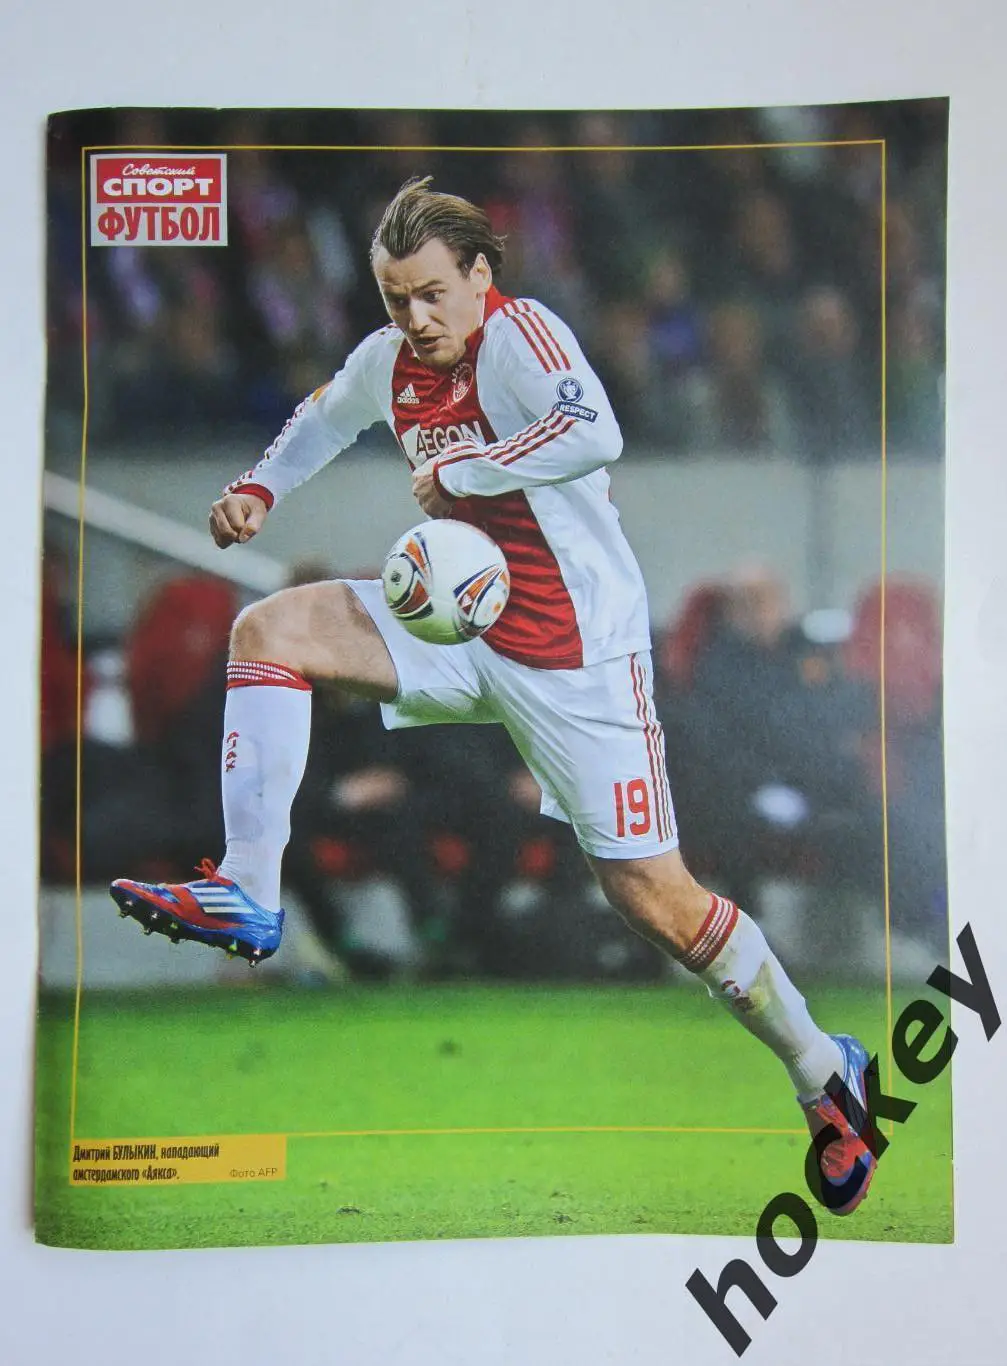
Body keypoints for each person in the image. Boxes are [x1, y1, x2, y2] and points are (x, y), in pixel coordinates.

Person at [110, 176, 876, 1214]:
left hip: (576, 658)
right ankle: (248, 890)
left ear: (479, 276)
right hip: (460, 624)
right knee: (269, 631)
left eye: (433, 293)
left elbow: (593, 430)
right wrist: (258, 487)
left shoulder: (521, 337)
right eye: (396, 299)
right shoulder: (389, 360)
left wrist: (469, 470)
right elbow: (324, 417)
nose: (416, 318)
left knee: (653, 897)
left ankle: (822, 1073)